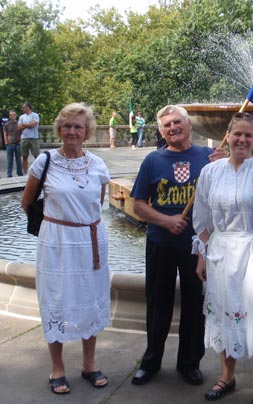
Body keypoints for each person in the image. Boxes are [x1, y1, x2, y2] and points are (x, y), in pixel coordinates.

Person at [193, 112, 253, 404]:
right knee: (225, 313)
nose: (242, 140)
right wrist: (201, 255)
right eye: (237, 134)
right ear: (228, 135)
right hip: (221, 253)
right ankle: (226, 376)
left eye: (248, 135)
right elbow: (202, 220)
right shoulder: (210, 173)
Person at [130, 105, 226, 387]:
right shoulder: (152, 161)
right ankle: (151, 361)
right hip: (161, 242)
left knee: (195, 304)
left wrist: (225, 165)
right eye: (166, 125)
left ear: (188, 125)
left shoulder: (208, 157)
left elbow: (225, 197)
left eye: (177, 122)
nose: (172, 128)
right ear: (161, 132)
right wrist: (164, 221)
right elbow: (137, 204)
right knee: (157, 303)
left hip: (197, 246)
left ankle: (189, 362)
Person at [21, 103, 111, 395]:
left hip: (91, 239)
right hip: (57, 241)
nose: (72, 131)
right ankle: (57, 367)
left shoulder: (98, 164)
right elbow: (27, 202)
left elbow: (97, 202)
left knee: (92, 298)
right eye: (67, 126)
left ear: (87, 132)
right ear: (59, 129)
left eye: (78, 127)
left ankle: (89, 363)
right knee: (56, 300)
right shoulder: (44, 161)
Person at [18, 102, 40, 174]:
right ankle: (25, 173)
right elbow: (19, 127)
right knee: (24, 156)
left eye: (23, 107)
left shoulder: (35, 115)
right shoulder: (22, 117)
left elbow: (33, 125)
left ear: (28, 107)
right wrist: (28, 124)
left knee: (36, 156)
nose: (22, 109)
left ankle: (38, 172)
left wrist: (23, 125)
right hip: (24, 138)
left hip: (33, 138)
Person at [3, 110, 24, 177]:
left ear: (16, 116)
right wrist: (6, 142)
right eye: (11, 115)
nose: (13, 116)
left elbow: (22, 132)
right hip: (10, 144)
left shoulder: (19, 123)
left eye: (14, 115)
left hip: (18, 143)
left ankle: (20, 173)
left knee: (18, 160)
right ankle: (9, 174)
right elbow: (5, 133)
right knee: (10, 160)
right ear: (9, 116)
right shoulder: (6, 124)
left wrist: (21, 140)